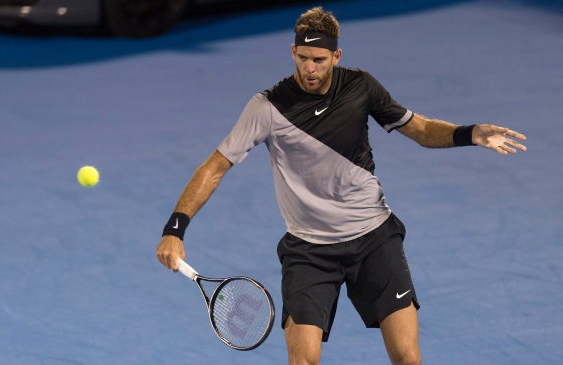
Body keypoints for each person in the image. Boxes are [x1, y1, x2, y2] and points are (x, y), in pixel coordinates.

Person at [156, 6, 526, 365]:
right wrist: (175, 228)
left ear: (336, 56)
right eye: (302, 57)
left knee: (408, 357)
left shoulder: (361, 87)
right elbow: (214, 167)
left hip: (374, 239)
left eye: (319, 59)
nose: (309, 68)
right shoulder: (267, 107)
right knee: (303, 361)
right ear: (292, 52)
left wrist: (470, 133)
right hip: (309, 251)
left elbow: (423, 130)